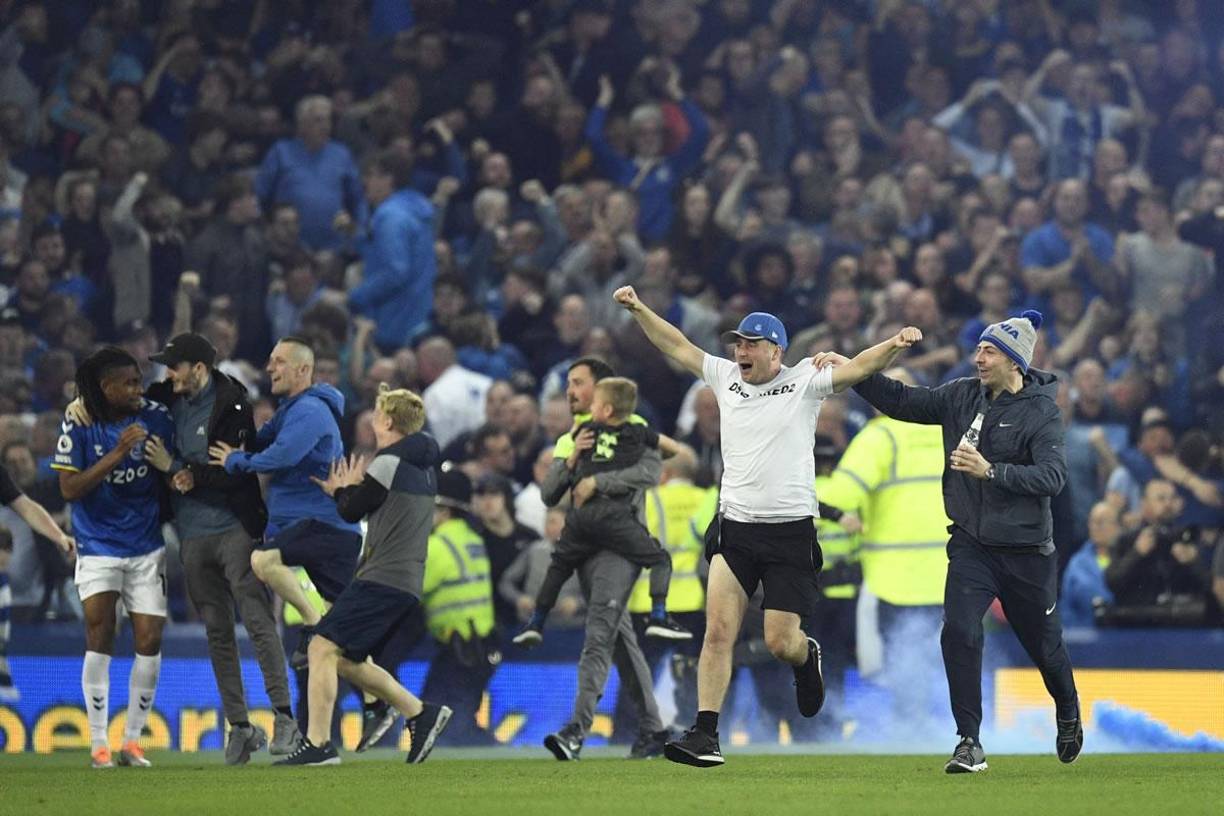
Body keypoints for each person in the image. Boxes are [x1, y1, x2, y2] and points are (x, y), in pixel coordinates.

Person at [613, 285, 923, 768]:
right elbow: (675, 345)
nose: (740, 351)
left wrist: (896, 344)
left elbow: (861, 367)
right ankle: (706, 733)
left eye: (751, 344)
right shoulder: (723, 377)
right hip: (735, 529)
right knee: (718, 633)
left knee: (781, 642)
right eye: (738, 343)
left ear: (776, 351)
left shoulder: (805, 381)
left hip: (790, 533)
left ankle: (806, 656)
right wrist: (638, 309)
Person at [841, 309, 1082, 773]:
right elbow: (901, 401)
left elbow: (1052, 477)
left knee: (1045, 647)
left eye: (990, 351)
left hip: (1027, 552)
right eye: (978, 349)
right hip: (972, 544)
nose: (979, 358)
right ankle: (969, 741)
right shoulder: (959, 396)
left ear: (1016, 361)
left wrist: (990, 471)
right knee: (959, 632)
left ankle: (1068, 709)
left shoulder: (1041, 411)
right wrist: (851, 368)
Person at [66, 332, 301, 764]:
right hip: (191, 536)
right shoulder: (164, 398)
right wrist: (81, 402)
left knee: (256, 620)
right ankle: (241, 727)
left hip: (235, 530)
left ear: (198, 369)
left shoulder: (233, 405)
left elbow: (234, 471)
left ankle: (284, 717)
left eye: (174, 366)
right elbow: (118, 394)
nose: (164, 375)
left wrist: (177, 468)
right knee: (216, 630)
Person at [276, 385, 452, 765]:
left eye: (376, 412)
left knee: (320, 646)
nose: (371, 417)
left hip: (382, 576)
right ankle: (418, 713)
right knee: (341, 657)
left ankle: (319, 746)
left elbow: (351, 511)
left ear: (388, 421)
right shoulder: (423, 468)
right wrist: (347, 493)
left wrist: (341, 490)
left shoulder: (387, 462)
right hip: (402, 580)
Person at [536, 356, 672, 761]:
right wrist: (574, 460)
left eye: (578, 384)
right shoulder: (571, 437)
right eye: (567, 386)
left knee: (597, 635)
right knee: (618, 640)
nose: (570, 393)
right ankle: (654, 730)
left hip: (620, 548)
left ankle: (576, 731)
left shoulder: (633, 433)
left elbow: (654, 470)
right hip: (585, 548)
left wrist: (601, 480)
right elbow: (549, 494)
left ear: (602, 391)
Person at [51, 347, 177, 769]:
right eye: (129, 383)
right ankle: (99, 744)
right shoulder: (79, 422)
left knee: (150, 639)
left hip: (145, 544)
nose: (138, 389)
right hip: (98, 544)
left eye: (140, 381)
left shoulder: (156, 415)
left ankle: (133, 742)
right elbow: (69, 489)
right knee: (100, 633)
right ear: (106, 388)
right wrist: (118, 455)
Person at [208, 337, 362, 668]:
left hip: (321, 528)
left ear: (303, 369)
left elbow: (279, 456)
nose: (269, 368)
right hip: (319, 531)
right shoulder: (291, 410)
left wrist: (235, 460)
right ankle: (400, 706)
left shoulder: (310, 411)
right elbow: (258, 439)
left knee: (262, 562)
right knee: (343, 649)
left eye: (278, 361)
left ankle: (311, 622)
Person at [511, 376, 689, 647]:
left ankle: (535, 622)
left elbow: (555, 487)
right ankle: (658, 616)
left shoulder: (585, 433)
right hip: (615, 516)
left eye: (595, 403)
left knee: (558, 564)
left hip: (582, 515)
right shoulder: (636, 433)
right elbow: (673, 450)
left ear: (606, 410)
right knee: (660, 560)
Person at [420, 467, 499, 745]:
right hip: (481, 643)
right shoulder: (472, 540)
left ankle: (495, 758)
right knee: (459, 716)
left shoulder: (438, 546)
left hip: (460, 646)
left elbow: (409, 589)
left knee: (440, 716)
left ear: (444, 511)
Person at [346, 149, 437, 352]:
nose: (364, 182)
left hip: (395, 321)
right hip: (417, 315)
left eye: (370, 175)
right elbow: (380, 254)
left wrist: (355, 297)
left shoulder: (391, 216)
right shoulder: (414, 210)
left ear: (388, 179)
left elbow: (395, 272)